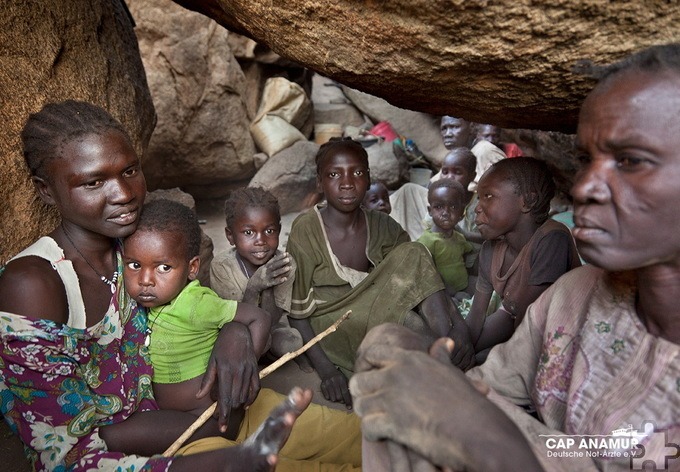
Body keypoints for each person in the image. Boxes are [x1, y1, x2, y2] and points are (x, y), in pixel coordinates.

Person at [350, 43, 680, 471]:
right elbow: (493, 384)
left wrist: (493, 446)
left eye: (631, 160)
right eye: (586, 160)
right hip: (560, 454)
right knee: (389, 349)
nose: (583, 188)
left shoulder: (551, 242)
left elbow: (502, 326)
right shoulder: (577, 292)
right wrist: (445, 368)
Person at [0, 100, 312, 471]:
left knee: (356, 442)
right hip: (145, 457)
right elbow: (63, 454)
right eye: (94, 182)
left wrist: (234, 333)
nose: (124, 193)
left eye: (130, 170)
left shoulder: (135, 247)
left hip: (193, 418)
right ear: (46, 190)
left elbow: (196, 306)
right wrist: (220, 455)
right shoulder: (33, 285)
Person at [123, 198, 362, 471]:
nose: (145, 280)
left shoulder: (195, 303)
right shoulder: (142, 302)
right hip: (195, 434)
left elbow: (257, 317)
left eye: (163, 267)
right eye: (134, 266)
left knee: (351, 434)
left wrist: (247, 370)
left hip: (223, 411)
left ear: (191, 269)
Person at [287, 137, 475, 408]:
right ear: (319, 183)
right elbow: (297, 314)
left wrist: (461, 328)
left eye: (357, 172)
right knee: (408, 336)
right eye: (334, 174)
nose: (347, 182)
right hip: (333, 323)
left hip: (375, 309)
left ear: (368, 177)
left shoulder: (382, 225)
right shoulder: (306, 230)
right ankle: (443, 374)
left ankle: (447, 348)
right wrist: (328, 371)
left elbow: (423, 276)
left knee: (415, 260)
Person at [467, 157, 581, 362]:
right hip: (515, 315)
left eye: (489, 196)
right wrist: (461, 346)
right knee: (460, 349)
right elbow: (476, 316)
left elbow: (531, 324)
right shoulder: (490, 250)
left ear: (527, 201)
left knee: (486, 360)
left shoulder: (552, 240)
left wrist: (488, 358)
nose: (477, 207)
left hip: (559, 328)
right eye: (478, 197)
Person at [210, 187, 310, 369]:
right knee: (239, 341)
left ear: (279, 230)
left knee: (291, 342)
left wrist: (269, 285)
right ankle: (260, 356)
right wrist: (255, 286)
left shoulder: (285, 265)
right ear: (230, 236)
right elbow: (235, 321)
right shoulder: (222, 266)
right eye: (249, 233)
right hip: (236, 330)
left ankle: (263, 355)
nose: (261, 240)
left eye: (269, 231)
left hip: (270, 326)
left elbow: (271, 320)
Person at [417, 179, 474, 300]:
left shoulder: (459, 237)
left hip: (463, 286)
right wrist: (452, 294)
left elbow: (466, 255)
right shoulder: (427, 241)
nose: (445, 213)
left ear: (462, 213)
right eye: (438, 207)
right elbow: (429, 274)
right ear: (430, 211)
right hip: (440, 292)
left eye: (453, 207)